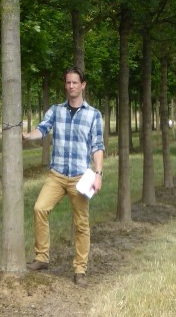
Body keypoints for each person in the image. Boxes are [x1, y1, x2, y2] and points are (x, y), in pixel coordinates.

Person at [22, 66, 104, 287]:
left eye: (75, 82)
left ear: (83, 85)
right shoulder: (56, 110)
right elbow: (42, 129)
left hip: (80, 178)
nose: (71, 86)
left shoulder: (93, 114)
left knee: (81, 224)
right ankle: (42, 257)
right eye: (68, 82)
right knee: (40, 208)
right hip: (57, 175)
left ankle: (80, 269)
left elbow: (97, 146)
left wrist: (98, 174)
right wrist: (28, 136)